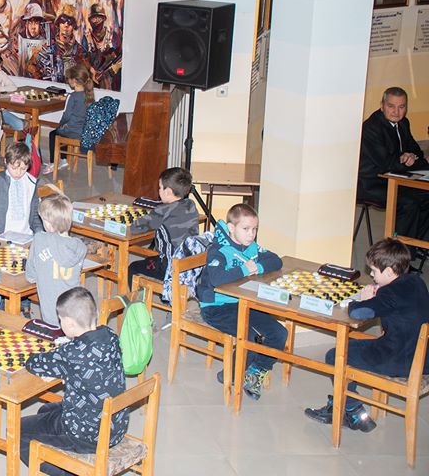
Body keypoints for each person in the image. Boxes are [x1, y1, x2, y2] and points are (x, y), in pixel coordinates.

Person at [305, 238, 429, 432]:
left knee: (336, 355)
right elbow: (397, 303)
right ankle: (347, 407)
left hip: (399, 359)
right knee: (351, 344)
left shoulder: (390, 294)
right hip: (421, 356)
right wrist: (380, 294)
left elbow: (360, 313)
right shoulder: (416, 281)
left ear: (389, 272)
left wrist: (364, 300)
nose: (371, 275)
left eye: (374, 271)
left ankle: (353, 412)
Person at [19, 287, 128, 476]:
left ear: (69, 324)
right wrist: (69, 373)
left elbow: (34, 363)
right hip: (114, 426)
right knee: (46, 409)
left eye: (60, 320)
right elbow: (93, 368)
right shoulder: (110, 335)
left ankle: (70, 472)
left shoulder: (72, 353)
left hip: (85, 433)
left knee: (18, 432)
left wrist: (63, 366)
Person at [196, 203, 286, 400]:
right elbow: (217, 279)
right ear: (231, 228)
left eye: (255, 229)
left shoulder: (251, 247)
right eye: (246, 229)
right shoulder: (219, 250)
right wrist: (245, 269)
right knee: (252, 337)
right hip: (217, 307)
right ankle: (231, 373)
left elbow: (276, 260)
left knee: (280, 333)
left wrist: (257, 267)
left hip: (243, 303)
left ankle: (256, 371)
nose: (251, 234)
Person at [357, 87, 429, 245]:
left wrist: (411, 156)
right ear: (382, 105)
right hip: (372, 183)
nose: (396, 112)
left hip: (396, 178)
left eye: (401, 107)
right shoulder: (371, 128)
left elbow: (416, 151)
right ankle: (399, 252)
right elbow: (386, 164)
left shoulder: (403, 122)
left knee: (426, 195)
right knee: (409, 203)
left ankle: (419, 246)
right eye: (391, 106)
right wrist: (406, 160)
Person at [125, 167, 200, 288]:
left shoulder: (162, 211)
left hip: (169, 268)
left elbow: (135, 227)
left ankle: (134, 300)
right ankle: (166, 294)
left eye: (160, 188)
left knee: (133, 267)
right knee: (151, 259)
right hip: (190, 265)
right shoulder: (191, 205)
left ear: (168, 191)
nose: (159, 191)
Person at [25, 194, 87, 325]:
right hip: (75, 309)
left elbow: (31, 274)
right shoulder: (80, 246)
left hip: (52, 312)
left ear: (47, 223)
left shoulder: (40, 240)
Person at [0, 142, 43, 239]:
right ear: (6, 162)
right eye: (14, 168)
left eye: (23, 169)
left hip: (27, 235)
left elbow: (35, 215)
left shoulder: (32, 183)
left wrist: (40, 235)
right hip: (2, 236)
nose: (18, 173)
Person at [42, 64, 93, 176]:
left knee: (54, 133)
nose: (68, 81)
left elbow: (66, 116)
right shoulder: (89, 94)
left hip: (73, 131)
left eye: (68, 78)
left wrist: (60, 124)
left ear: (74, 81)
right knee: (62, 130)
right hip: (83, 131)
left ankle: (53, 163)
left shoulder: (72, 96)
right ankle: (63, 160)